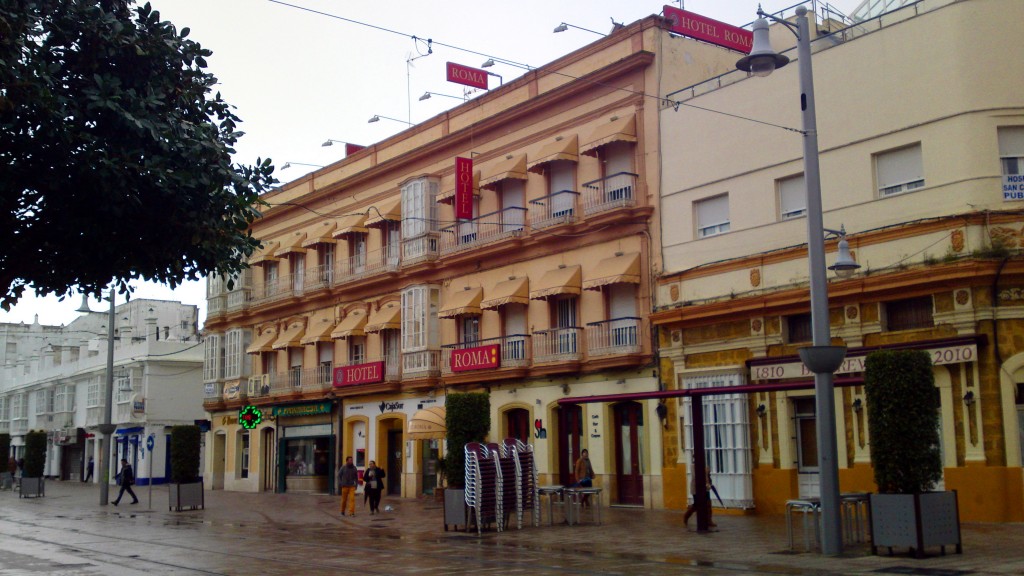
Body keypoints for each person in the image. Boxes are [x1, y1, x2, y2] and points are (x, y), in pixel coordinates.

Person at [683, 460, 715, 528]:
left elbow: (708, 476)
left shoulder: (705, 466)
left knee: (708, 504)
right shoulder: (693, 466)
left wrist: (708, 481)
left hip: (706, 487)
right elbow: (697, 476)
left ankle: (709, 520)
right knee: (696, 505)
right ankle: (686, 516)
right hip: (696, 488)